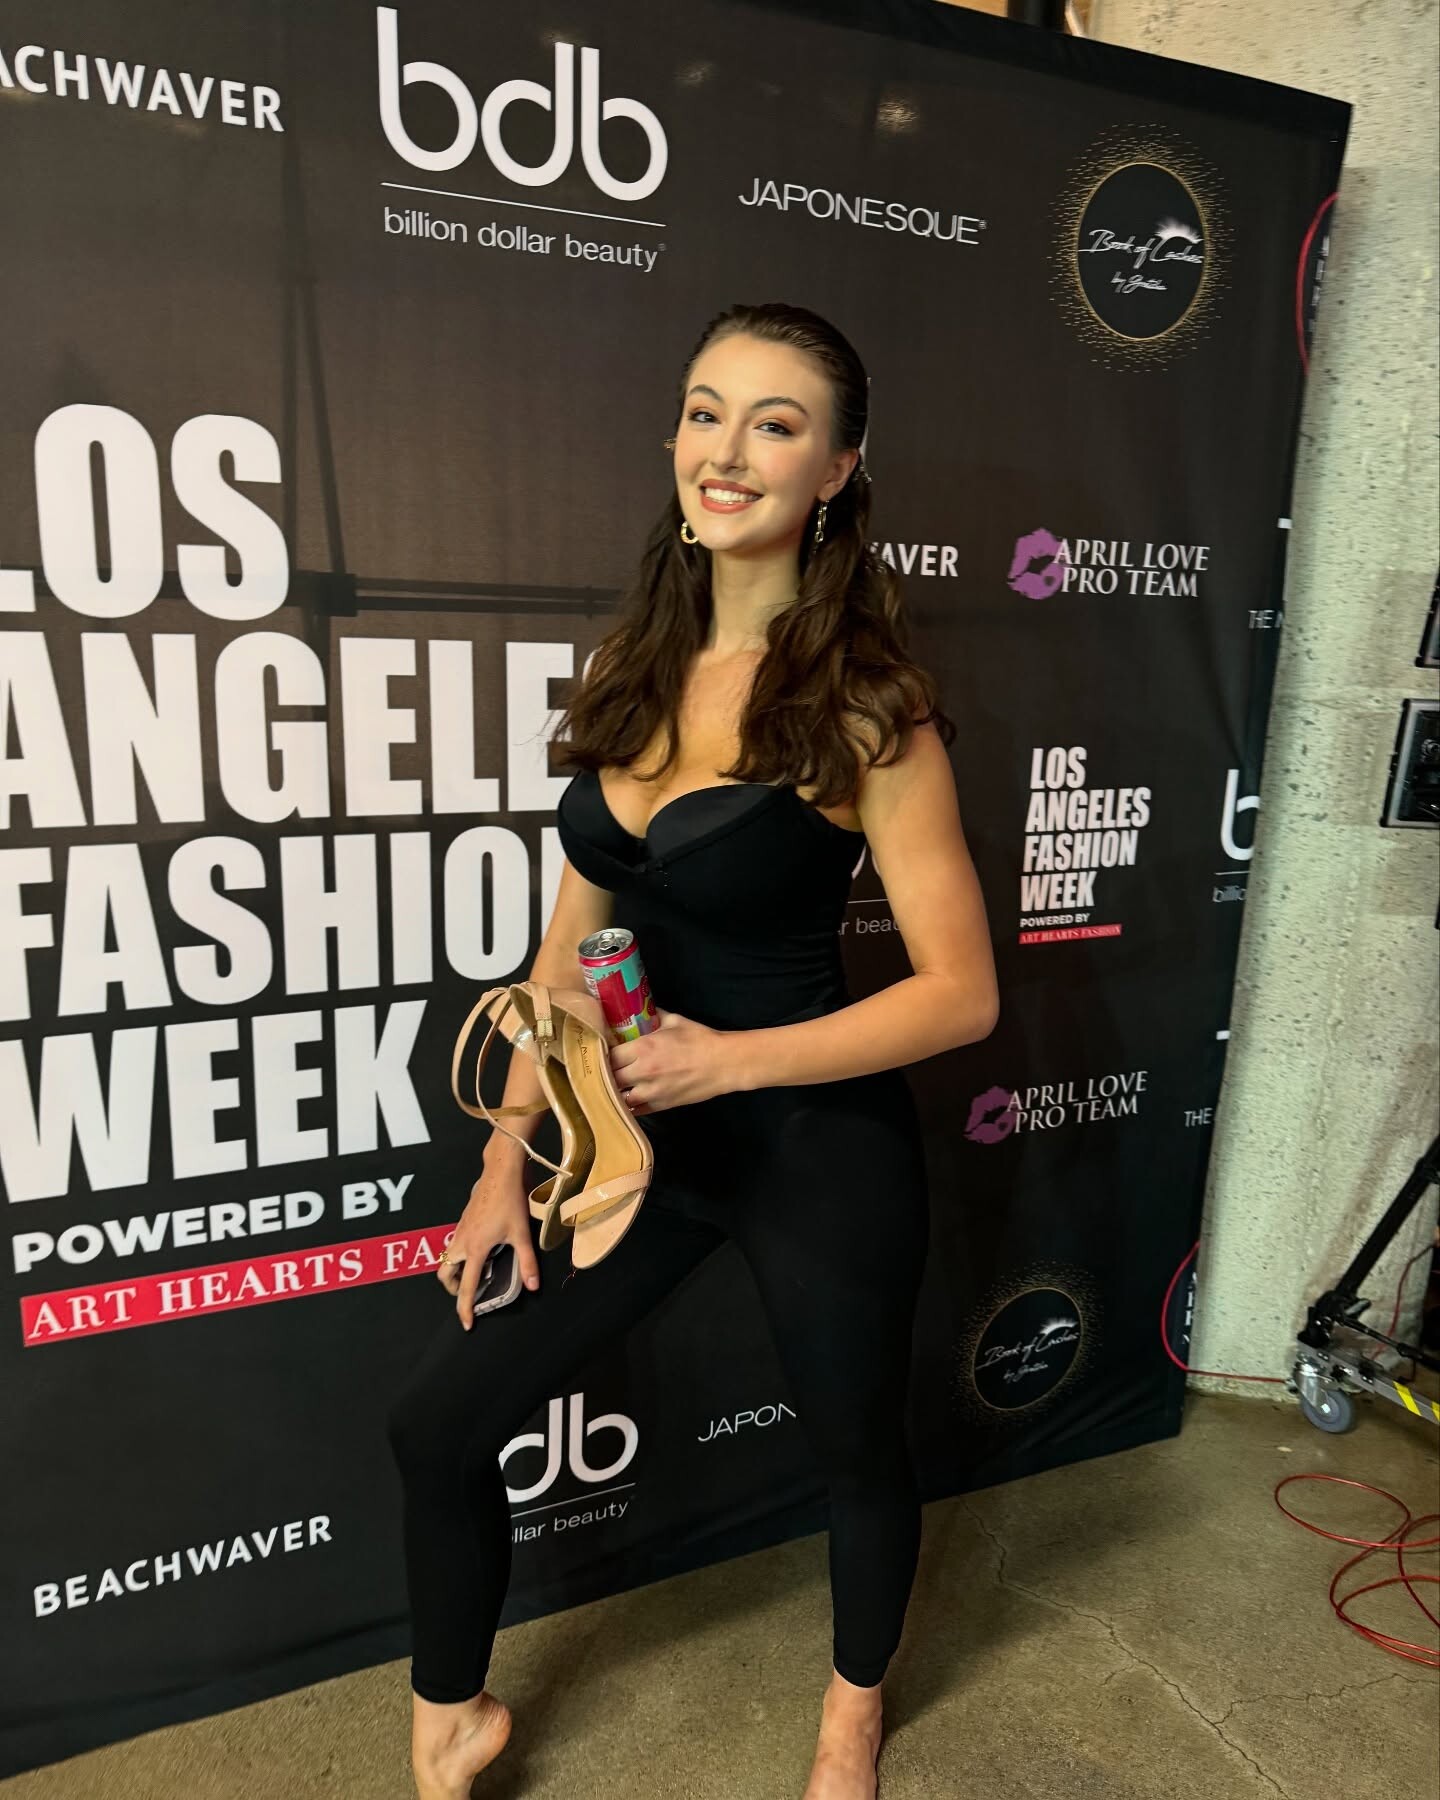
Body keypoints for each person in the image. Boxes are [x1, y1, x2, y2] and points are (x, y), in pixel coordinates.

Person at [386, 301, 999, 1800]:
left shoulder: (871, 710)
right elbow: (562, 956)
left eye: (775, 424)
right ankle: (450, 1720)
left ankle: (853, 1715)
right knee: (438, 1424)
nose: (727, 450)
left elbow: (962, 997)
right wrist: (504, 1160)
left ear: (836, 471)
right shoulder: (632, 665)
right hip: (632, 1148)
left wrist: (730, 1062)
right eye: (706, 411)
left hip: (814, 1142)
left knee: (856, 1449)